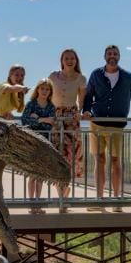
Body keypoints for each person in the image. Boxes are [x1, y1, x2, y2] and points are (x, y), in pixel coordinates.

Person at [82, 45, 131, 212]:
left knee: (115, 161)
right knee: (99, 160)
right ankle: (99, 200)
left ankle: (117, 200)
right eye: (109, 54)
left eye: (115, 54)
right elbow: (89, 95)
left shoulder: (128, 76)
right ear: (104, 56)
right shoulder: (96, 74)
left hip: (117, 125)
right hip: (96, 124)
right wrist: (87, 110)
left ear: (119, 57)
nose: (112, 56)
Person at [48, 48, 87, 212]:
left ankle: (64, 192)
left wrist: (80, 113)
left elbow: (82, 101)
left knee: (70, 156)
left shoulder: (81, 78)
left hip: (71, 119)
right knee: (56, 155)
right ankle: (62, 194)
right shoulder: (53, 76)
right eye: (66, 58)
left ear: (76, 60)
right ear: (61, 60)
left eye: (72, 58)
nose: (69, 60)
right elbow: (45, 96)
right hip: (56, 118)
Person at [21, 78, 56, 214]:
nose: (44, 91)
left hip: (44, 143)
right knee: (32, 174)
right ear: (37, 90)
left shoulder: (51, 106)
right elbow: (25, 121)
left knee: (40, 175)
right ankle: (31, 204)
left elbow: (50, 124)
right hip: (31, 142)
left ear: (50, 92)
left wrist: (37, 118)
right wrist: (43, 120)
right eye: (42, 88)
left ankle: (38, 203)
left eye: (47, 89)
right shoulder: (31, 104)